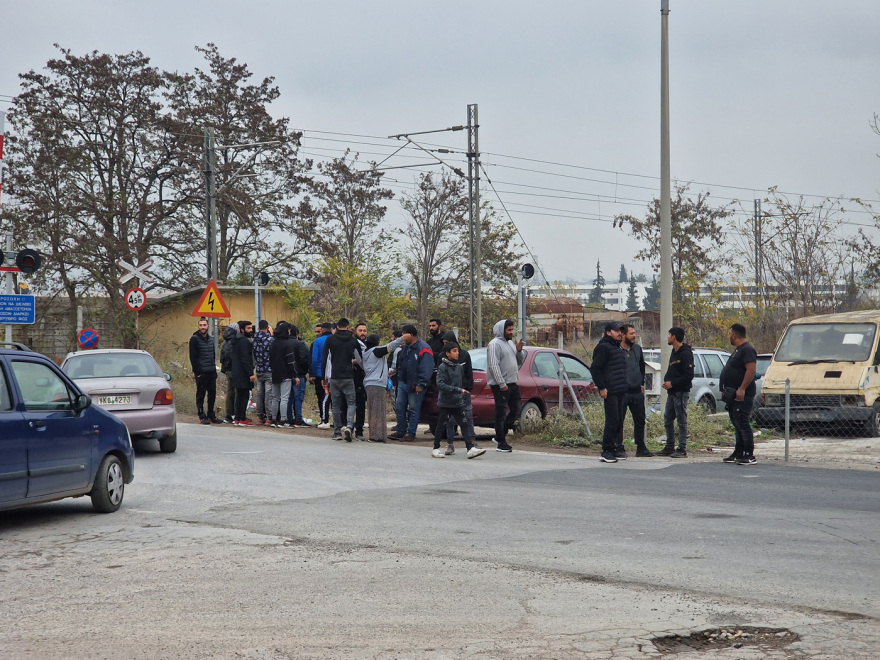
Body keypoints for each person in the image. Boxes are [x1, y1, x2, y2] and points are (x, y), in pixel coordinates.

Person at [432, 342, 486, 459]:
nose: (457, 353)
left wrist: (461, 394)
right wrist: (457, 390)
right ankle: (436, 448)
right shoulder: (442, 367)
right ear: (447, 353)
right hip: (446, 402)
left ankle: (470, 448)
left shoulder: (459, 367)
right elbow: (441, 384)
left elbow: (461, 382)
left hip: (457, 402)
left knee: (464, 424)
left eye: (458, 351)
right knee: (441, 424)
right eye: (454, 351)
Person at [720, 323, 758, 465]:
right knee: (736, 423)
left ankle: (749, 454)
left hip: (743, 394)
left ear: (734, 335)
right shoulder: (738, 350)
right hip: (733, 395)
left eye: (730, 333)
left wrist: (742, 388)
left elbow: (751, 371)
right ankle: (739, 452)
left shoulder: (747, 350)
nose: (729, 336)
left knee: (742, 422)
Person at [388, 324, 433, 442]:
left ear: (411, 335)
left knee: (413, 408)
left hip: (416, 384)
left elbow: (427, 367)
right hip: (404, 382)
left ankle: (411, 433)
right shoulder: (406, 348)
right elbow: (401, 364)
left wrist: (421, 384)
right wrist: (400, 379)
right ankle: (400, 430)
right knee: (399, 406)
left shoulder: (424, 348)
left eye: (404, 335)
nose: (402, 337)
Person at [591, 321, 628, 463]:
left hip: (620, 390)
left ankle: (614, 448)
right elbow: (595, 368)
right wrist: (602, 387)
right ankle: (606, 450)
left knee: (618, 421)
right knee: (612, 421)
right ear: (608, 332)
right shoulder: (603, 347)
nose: (620, 333)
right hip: (610, 391)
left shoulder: (617, 348)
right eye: (617, 331)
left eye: (621, 331)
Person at [322, 317, 363, 442]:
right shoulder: (353, 340)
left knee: (336, 404)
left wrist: (324, 378)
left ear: (337, 327)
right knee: (351, 403)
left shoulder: (330, 339)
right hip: (348, 376)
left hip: (334, 377)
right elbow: (360, 358)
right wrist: (363, 370)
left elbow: (325, 359)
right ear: (348, 326)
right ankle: (350, 426)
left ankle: (337, 431)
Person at [486, 319, 524, 453]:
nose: (511, 332)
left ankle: (499, 435)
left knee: (517, 409)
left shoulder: (510, 344)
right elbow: (493, 365)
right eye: (509, 330)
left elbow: (519, 361)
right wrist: (501, 384)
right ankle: (501, 443)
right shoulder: (495, 344)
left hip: (512, 383)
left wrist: (519, 351)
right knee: (501, 414)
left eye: (512, 330)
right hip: (500, 385)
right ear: (502, 330)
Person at [620, 324, 654, 457]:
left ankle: (641, 448)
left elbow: (641, 366)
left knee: (640, 420)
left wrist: (642, 383)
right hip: (623, 391)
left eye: (634, 333)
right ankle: (619, 447)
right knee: (619, 420)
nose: (634, 336)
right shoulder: (617, 350)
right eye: (631, 334)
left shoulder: (637, 349)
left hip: (636, 391)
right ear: (623, 335)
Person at [362, 333, 403, 443]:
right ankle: (377, 436)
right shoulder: (376, 351)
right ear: (377, 343)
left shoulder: (366, 352)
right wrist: (402, 338)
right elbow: (391, 346)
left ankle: (375, 434)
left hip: (370, 383)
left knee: (373, 410)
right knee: (378, 411)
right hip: (377, 384)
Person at [660, 327, 694, 458]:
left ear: (674, 337)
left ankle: (682, 448)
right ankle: (670, 446)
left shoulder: (685, 353)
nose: (667, 337)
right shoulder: (674, 352)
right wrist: (668, 382)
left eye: (669, 334)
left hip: (681, 392)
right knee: (668, 419)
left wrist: (672, 383)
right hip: (672, 392)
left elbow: (688, 375)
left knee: (681, 420)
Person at [189, 317, 223, 424]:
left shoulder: (211, 339)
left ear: (208, 326)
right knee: (201, 394)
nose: (203, 327)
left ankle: (211, 414)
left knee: (212, 394)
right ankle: (201, 414)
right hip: (201, 372)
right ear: (198, 327)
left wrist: (214, 368)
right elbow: (193, 357)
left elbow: (212, 355)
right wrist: (197, 372)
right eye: (201, 325)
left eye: (204, 325)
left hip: (211, 371)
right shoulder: (194, 339)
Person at [268, 321, 298, 427]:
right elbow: (291, 362)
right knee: (284, 398)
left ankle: (273, 419)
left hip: (275, 373)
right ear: (286, 331)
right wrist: (295, 374)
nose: (290, 331)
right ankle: (283, 420)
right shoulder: (287, 344)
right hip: (286, 374)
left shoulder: (273, 343)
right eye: (289, 330)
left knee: (275, 397)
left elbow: (270, 359)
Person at [228, 320, 257, 426]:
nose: (251, 330)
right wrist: (250, 373)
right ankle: (242, 418)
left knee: (239, 396)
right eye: (248, 328)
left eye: (251, 328)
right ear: (242, 330)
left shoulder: (236, 340)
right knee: (244, 396)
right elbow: (245, 359)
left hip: (237, 372)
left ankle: (237, 418)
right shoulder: (244, 341)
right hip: (243, 374)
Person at [286, 325, 312, 427]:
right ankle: (298, 419)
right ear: (297, 334)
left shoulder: (284, 343)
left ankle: (289, 418)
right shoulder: (301, 344)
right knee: (298, 398)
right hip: (299, 374)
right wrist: (306, 371)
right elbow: (304, 359)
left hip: (287, 375)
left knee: (288, 398)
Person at [252, 320, 274, 425]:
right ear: (267, 327)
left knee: (260, 394)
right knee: (268, 394)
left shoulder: (254, 340)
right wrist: (272, 333)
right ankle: (270, 417)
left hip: (259, 370)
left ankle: (260, 417)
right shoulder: (270, 340)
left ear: (258, 328)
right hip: (269, 370)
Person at [310, 322, 333, 429]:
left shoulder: (318, 341)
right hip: (335, 373)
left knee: (322, 398)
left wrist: (313, 374)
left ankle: (324, 419)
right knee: (335, 398)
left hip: (321, 373)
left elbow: (314, 359)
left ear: (322, 330)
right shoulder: (336, 339)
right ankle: (339, 420)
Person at [220, 323, 239, 423]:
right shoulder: (234, 341)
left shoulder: (226, 341)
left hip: (227, 369)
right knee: (235, 392)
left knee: (230, 392)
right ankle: (234, 414)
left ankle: (229, 414)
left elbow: (222, 357)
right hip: (234, 369)